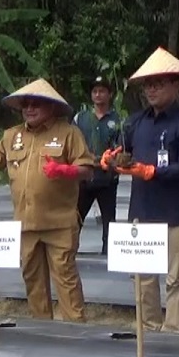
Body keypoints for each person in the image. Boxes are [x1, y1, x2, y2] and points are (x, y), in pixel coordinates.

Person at [0, 78, 95, 322]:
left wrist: (65, 171)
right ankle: (41, 330)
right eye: (25, 104)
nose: (30, 108)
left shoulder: (68, 132)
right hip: (25, 224)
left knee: (65, 278)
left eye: (36, 104)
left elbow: (87, 168)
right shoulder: (12, 135)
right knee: (32, 279)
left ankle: (76, 332)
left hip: (59, 223)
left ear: (51, 106)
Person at [102, 48, 179, 333]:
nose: (152, 89)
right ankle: (148, 327)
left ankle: (173, 332)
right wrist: (111, 158)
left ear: (176, 84)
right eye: (148, 84)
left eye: (159, 83)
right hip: (142, 210)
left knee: (175, 279)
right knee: (143, 277)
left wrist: (153, 171)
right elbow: (124, 152)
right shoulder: (136, 121)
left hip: (175, 213)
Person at [74, 75, 123, 256]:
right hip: (84, 178)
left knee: (109, 222)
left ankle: (108, 258)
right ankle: (69, 255)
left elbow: (121, 147)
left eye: (102, 91)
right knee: (75, 219)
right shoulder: (81, 118)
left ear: (109, 94)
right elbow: (73, 144)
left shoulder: (118, 120)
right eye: (95, 91)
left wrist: (111, 160)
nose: (98, 95)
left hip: (107, 178)